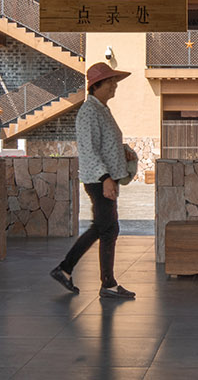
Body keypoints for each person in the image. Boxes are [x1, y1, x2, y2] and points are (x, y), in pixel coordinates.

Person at [51, 61, 140, 300]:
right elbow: (89, 149)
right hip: (99, 180)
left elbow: (104, 144)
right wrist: (105, 178)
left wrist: (123, 152)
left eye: (114, 82)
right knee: (106, 228)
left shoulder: (100, 109)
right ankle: (87, 276)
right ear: (96, 85)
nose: (114, 86)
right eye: (110, 82)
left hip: (104, 179)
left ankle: (72, 271)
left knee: (105, 228)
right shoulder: (89, 112)